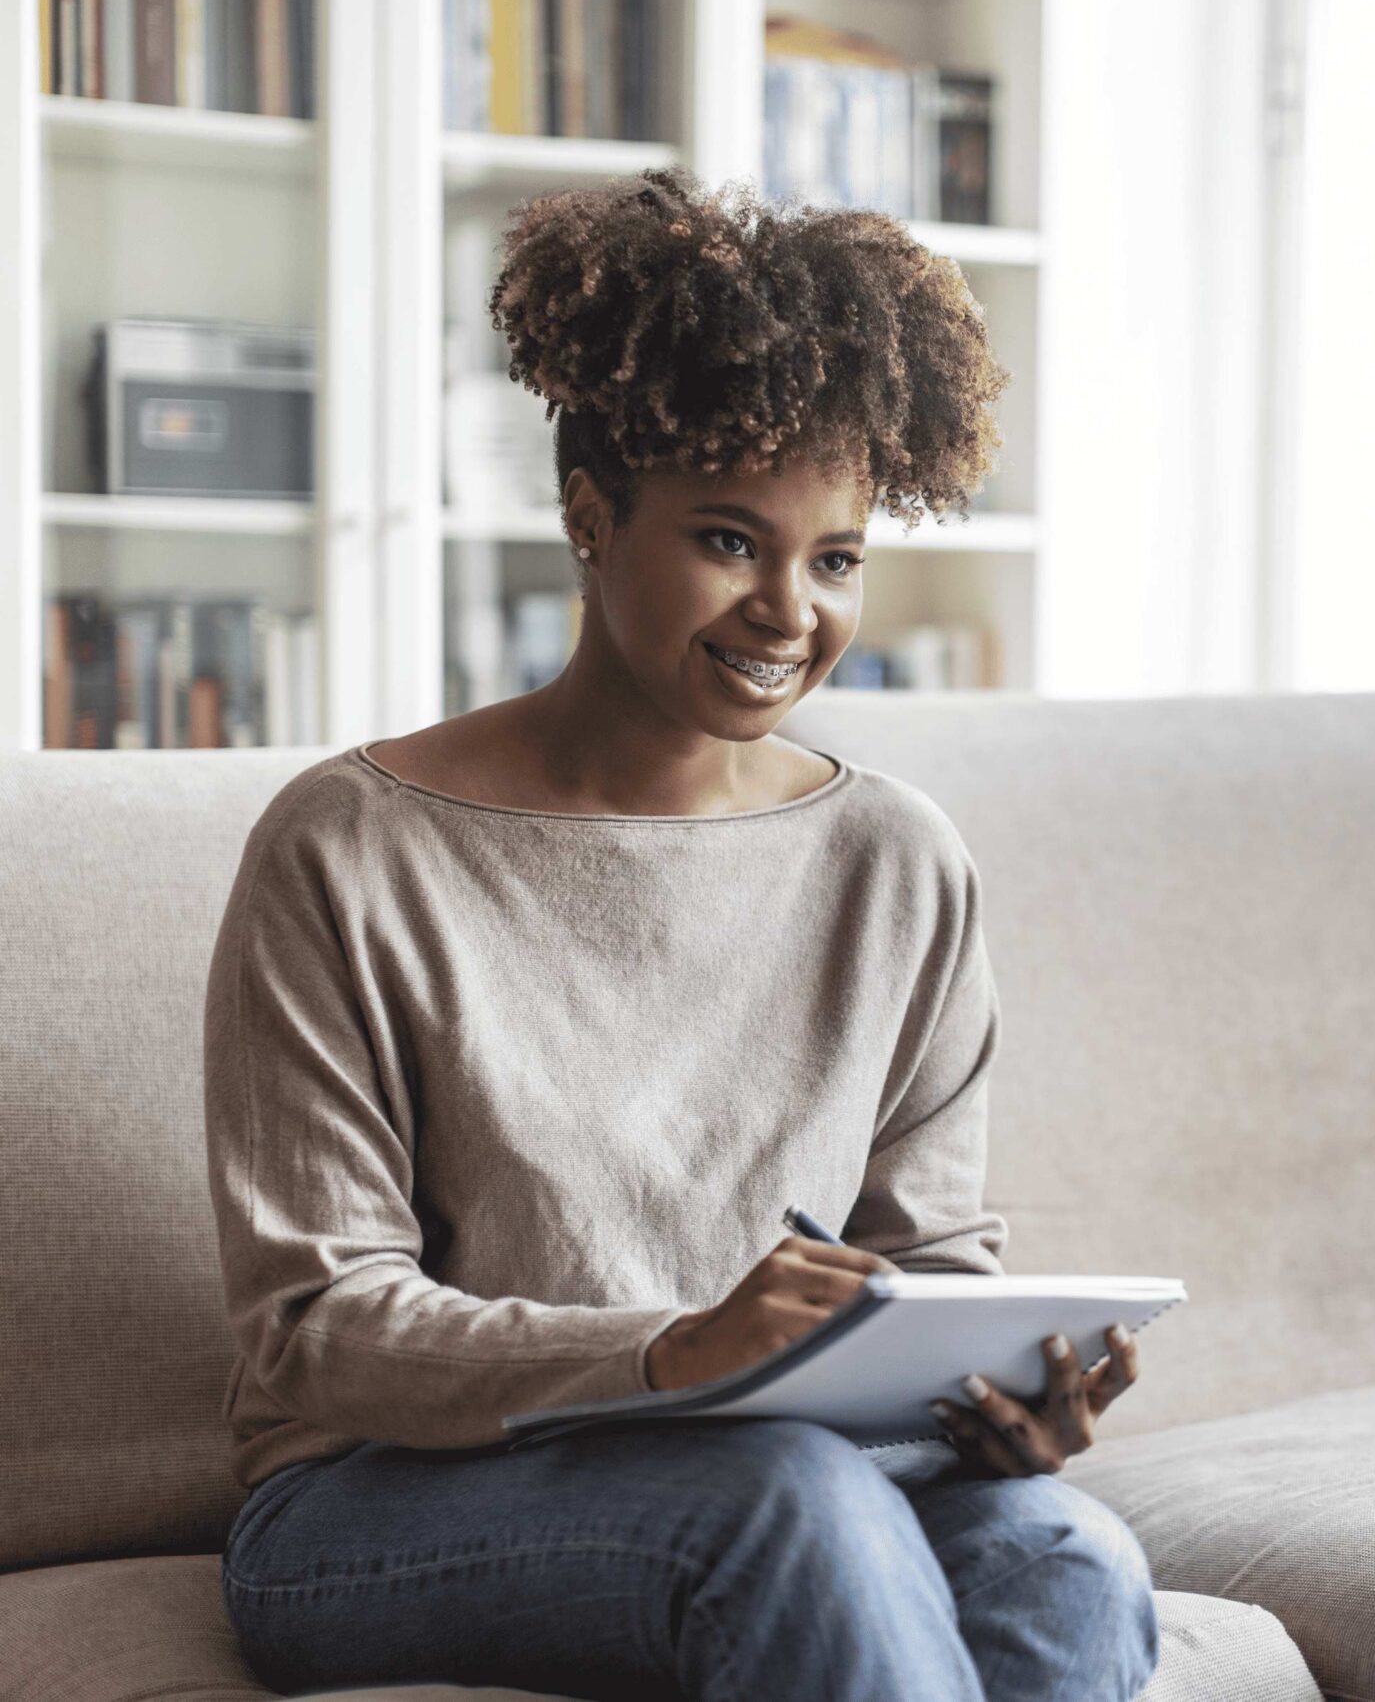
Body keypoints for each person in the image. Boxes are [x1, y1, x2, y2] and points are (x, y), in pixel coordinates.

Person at [205, 168, 1159, 1702]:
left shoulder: (894, 862)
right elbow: (322, 1327)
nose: (792, 610)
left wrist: (995, 1395)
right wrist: (667, 1354)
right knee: (794, 1508)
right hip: (372, 1504)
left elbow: (929, 1258)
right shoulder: (350, 849)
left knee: (1067, 1557)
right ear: (590, 519)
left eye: (835, 557)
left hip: (793, 1464)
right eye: (731, 540)